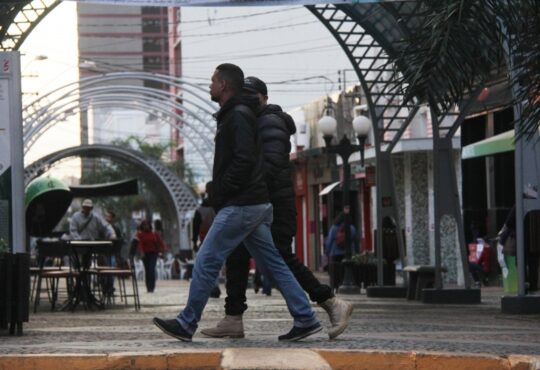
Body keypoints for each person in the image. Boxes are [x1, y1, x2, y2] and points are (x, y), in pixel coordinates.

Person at [153, 63, 321, 342]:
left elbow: (243, 160)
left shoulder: (238, 115)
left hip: (242, 203)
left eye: (213, 81)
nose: (209, 85)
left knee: (206, 260)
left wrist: (220, 192)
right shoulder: (235, 114)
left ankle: (186, 322)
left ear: (224, 85)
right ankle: (306, 317)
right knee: (274, 263)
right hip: (253, 203)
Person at [201, 76, 352, 340]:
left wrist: (240, 187)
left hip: (274, 205)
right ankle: (233, 318)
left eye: (252, 95)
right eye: (243, 94)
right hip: (257, 204)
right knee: (236, 256)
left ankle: (330, 302)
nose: (247, 99)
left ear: (264, 98)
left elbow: (268, 167)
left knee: (278, 259)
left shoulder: (270, 122)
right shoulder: (251, 120)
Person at [192, 182, 220, 297]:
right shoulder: (220, 207)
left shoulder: (200, 210)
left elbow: (195, 227)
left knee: (205, 265)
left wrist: (194, 241)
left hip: (205, 240)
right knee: (216, 264)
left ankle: (210, 287)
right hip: (218, 239)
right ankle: (214, 286)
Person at [325, 213, 358, 290]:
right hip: (348, 253)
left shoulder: (334, 228)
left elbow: (329, 240)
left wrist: (327, 251)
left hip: (335, 253)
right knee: (346, 270)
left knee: (336, 270)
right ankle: (347, 282)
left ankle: (336, 286)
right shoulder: (351, 228)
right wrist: (356, 251)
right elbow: (356, 240)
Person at [136, 219, 165, 293]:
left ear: (150, 225)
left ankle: (152, 286)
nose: (146, 226)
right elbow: (140, 244)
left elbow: (160, 242)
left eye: (147, 225)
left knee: (151, 269)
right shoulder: (140, 234)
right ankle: (148, 287)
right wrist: (141, 252)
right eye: (144, 225)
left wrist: (162, 250)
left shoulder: (154, 234)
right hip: (145, 254)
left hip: (153, 253)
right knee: (147, 270)